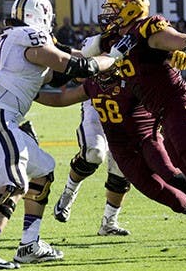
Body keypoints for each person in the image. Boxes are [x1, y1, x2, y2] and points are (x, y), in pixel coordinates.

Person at [0, 0, 125, 270]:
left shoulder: (12, 38)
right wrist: (112, 60)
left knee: (42, 171)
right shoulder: (29, 36)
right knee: (14, 184)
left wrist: (96, 56)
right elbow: (75, 65)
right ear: (41, 16)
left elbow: (59, 71)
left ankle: (29, 244)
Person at [36, 68, 186, 220]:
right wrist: (30, 94)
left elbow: (164, 94)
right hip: (122, 150)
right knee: (160, 192)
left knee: (169, 172)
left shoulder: (133, 78)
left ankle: (109, 221)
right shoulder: (92, 84)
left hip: (146, 138)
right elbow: (62, 98)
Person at [97, 0, 186, 183]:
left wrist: (182, 47)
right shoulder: (118, 40)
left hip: (179, 107)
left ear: (129, 9)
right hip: (164, 115)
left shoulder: (147, 29)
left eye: (113, 10)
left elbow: (181, 40)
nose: (108, 16)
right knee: (181, 169)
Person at [50, 36, 132, 235]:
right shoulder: (100, 41)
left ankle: (109, 223)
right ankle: (68, 194)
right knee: (94, 152)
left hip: (126, 111)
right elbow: (78, 64)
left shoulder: (137, 40)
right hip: (96, 104)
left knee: (122, 167)